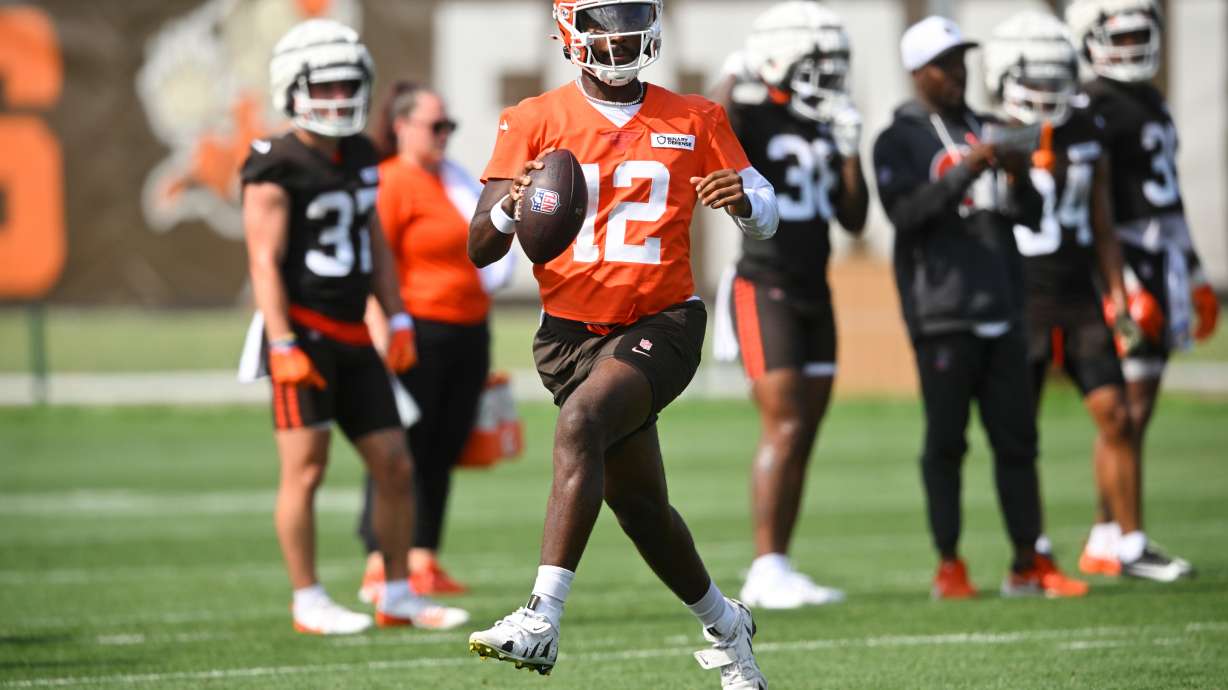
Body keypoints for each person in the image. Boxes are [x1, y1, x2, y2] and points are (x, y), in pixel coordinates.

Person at [464, 1, 778, 686]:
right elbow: (480, 246)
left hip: (662, 322)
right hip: (568, 337)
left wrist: (747, 201)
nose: (620, 34)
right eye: (604, 21)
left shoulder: (695, 116)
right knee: (641, 510)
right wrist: (512, 204)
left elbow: (767, 213)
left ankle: (542, 617)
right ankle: (729, 628)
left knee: (582, 422)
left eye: (630, 15)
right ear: (570, 30)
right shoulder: (533, 118)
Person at [238, 18, 467, 634]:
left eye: (348, 86)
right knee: (306, 469)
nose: (339, 98)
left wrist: (396, 315)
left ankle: (396, 593)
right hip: (303, 331)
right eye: (326, 87)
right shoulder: (274, 162)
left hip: (353, 333)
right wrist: (282, 341)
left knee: (395, 463)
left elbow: (374, 243)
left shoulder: (362, 153)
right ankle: (307, 598)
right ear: (292, 87)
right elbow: (263, 261)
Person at [871, 16, 1088, 600]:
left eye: (961, 61)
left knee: (1018, 443)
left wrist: (1019, 178)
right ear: (918, 72)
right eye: (945, 64)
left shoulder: (988, 126)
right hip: (942, 312)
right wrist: (968, 167)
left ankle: (1027, 562)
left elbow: (1032, 218)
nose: (958, 73)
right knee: (947, 444)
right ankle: (950, 564)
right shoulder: (898, 138)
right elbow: (905, 214)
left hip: (1003, 303)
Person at [983, 10, 1191, 583]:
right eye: (1037, 76)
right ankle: (1033, 550)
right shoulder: (990, 133)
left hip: (1079, 295)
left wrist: (1119, 293)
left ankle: (1130, 542)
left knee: (1117, 416)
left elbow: (1102, 221)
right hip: (1020, 297)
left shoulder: (1085, 127)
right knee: (1021, 433)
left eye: (1057, 76)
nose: (1048, 88)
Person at [709, 1, 867, 610]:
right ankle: (765, 567)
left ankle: (780, 564)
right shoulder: (751, 115)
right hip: (763, 284)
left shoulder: (824, 123)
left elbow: (854, 218)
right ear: (778, 61)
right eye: (816, 63)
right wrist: (736, 72)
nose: (829, 76)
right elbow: (709, 127)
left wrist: (850, 150)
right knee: (786, 423)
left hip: (814, 289)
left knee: (806, 431)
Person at [1065, 0, 1214, 577]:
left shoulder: (1150, 98)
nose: (1132, 46)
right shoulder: (1091, 105)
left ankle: (1108, 533)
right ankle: (1119, 538)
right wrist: (1119, 283)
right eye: (1120, 36)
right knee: (1123, 411)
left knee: (1140, 409)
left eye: (1138, 34)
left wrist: (1193, 270)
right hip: (1124, 259)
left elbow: (1168, 194)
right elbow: (1096, 205)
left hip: (1162, 258)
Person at [355, 82, 515, 600]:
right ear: (401, 127)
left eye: (450, 126)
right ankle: (380, 560)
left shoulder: (452, 178)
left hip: (467, 329)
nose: (444, 135)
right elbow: (374, 265)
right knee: (401, 448)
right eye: (435, 126)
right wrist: (382, 331)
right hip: (417, 330)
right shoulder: (392, 180)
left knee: (445, 447)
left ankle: (423, 556)